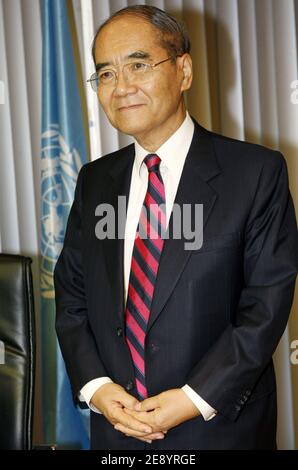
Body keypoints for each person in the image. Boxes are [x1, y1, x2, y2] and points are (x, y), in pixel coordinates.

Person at [54, 5, 298, 450]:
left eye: (139, 65)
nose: (121, 86)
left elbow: (265, 306)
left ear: (183, 70)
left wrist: (191, 398)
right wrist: (97, 389)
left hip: (218, 423)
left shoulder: (255, 172)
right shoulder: (95, 180)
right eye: (105, 74)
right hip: (118, 428)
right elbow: (72, 297)